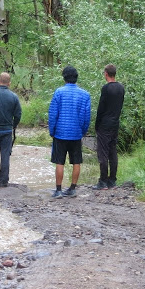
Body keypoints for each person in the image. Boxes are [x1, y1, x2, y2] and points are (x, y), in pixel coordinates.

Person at [48, 65, 91, 198]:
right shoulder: (85, 95)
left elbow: (53, 113)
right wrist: (83, 131)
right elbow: (86, 116)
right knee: (76, 161)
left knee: (59, 161)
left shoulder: (59, 92)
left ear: (64, 77)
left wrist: (52, 130)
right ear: (76, 78)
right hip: (76, 133)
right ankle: (72, 188)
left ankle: (59, 190)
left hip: (60, 133)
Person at [93, 63, 125, 190]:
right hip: (115, 123)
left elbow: (101, 108)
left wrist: (97, 124)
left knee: (103, 153)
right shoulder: (121, 88)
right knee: (113, 152)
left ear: (106, 74)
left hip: (105, 124)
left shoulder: (106, 89)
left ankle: (103, 181)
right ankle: (112, 180)